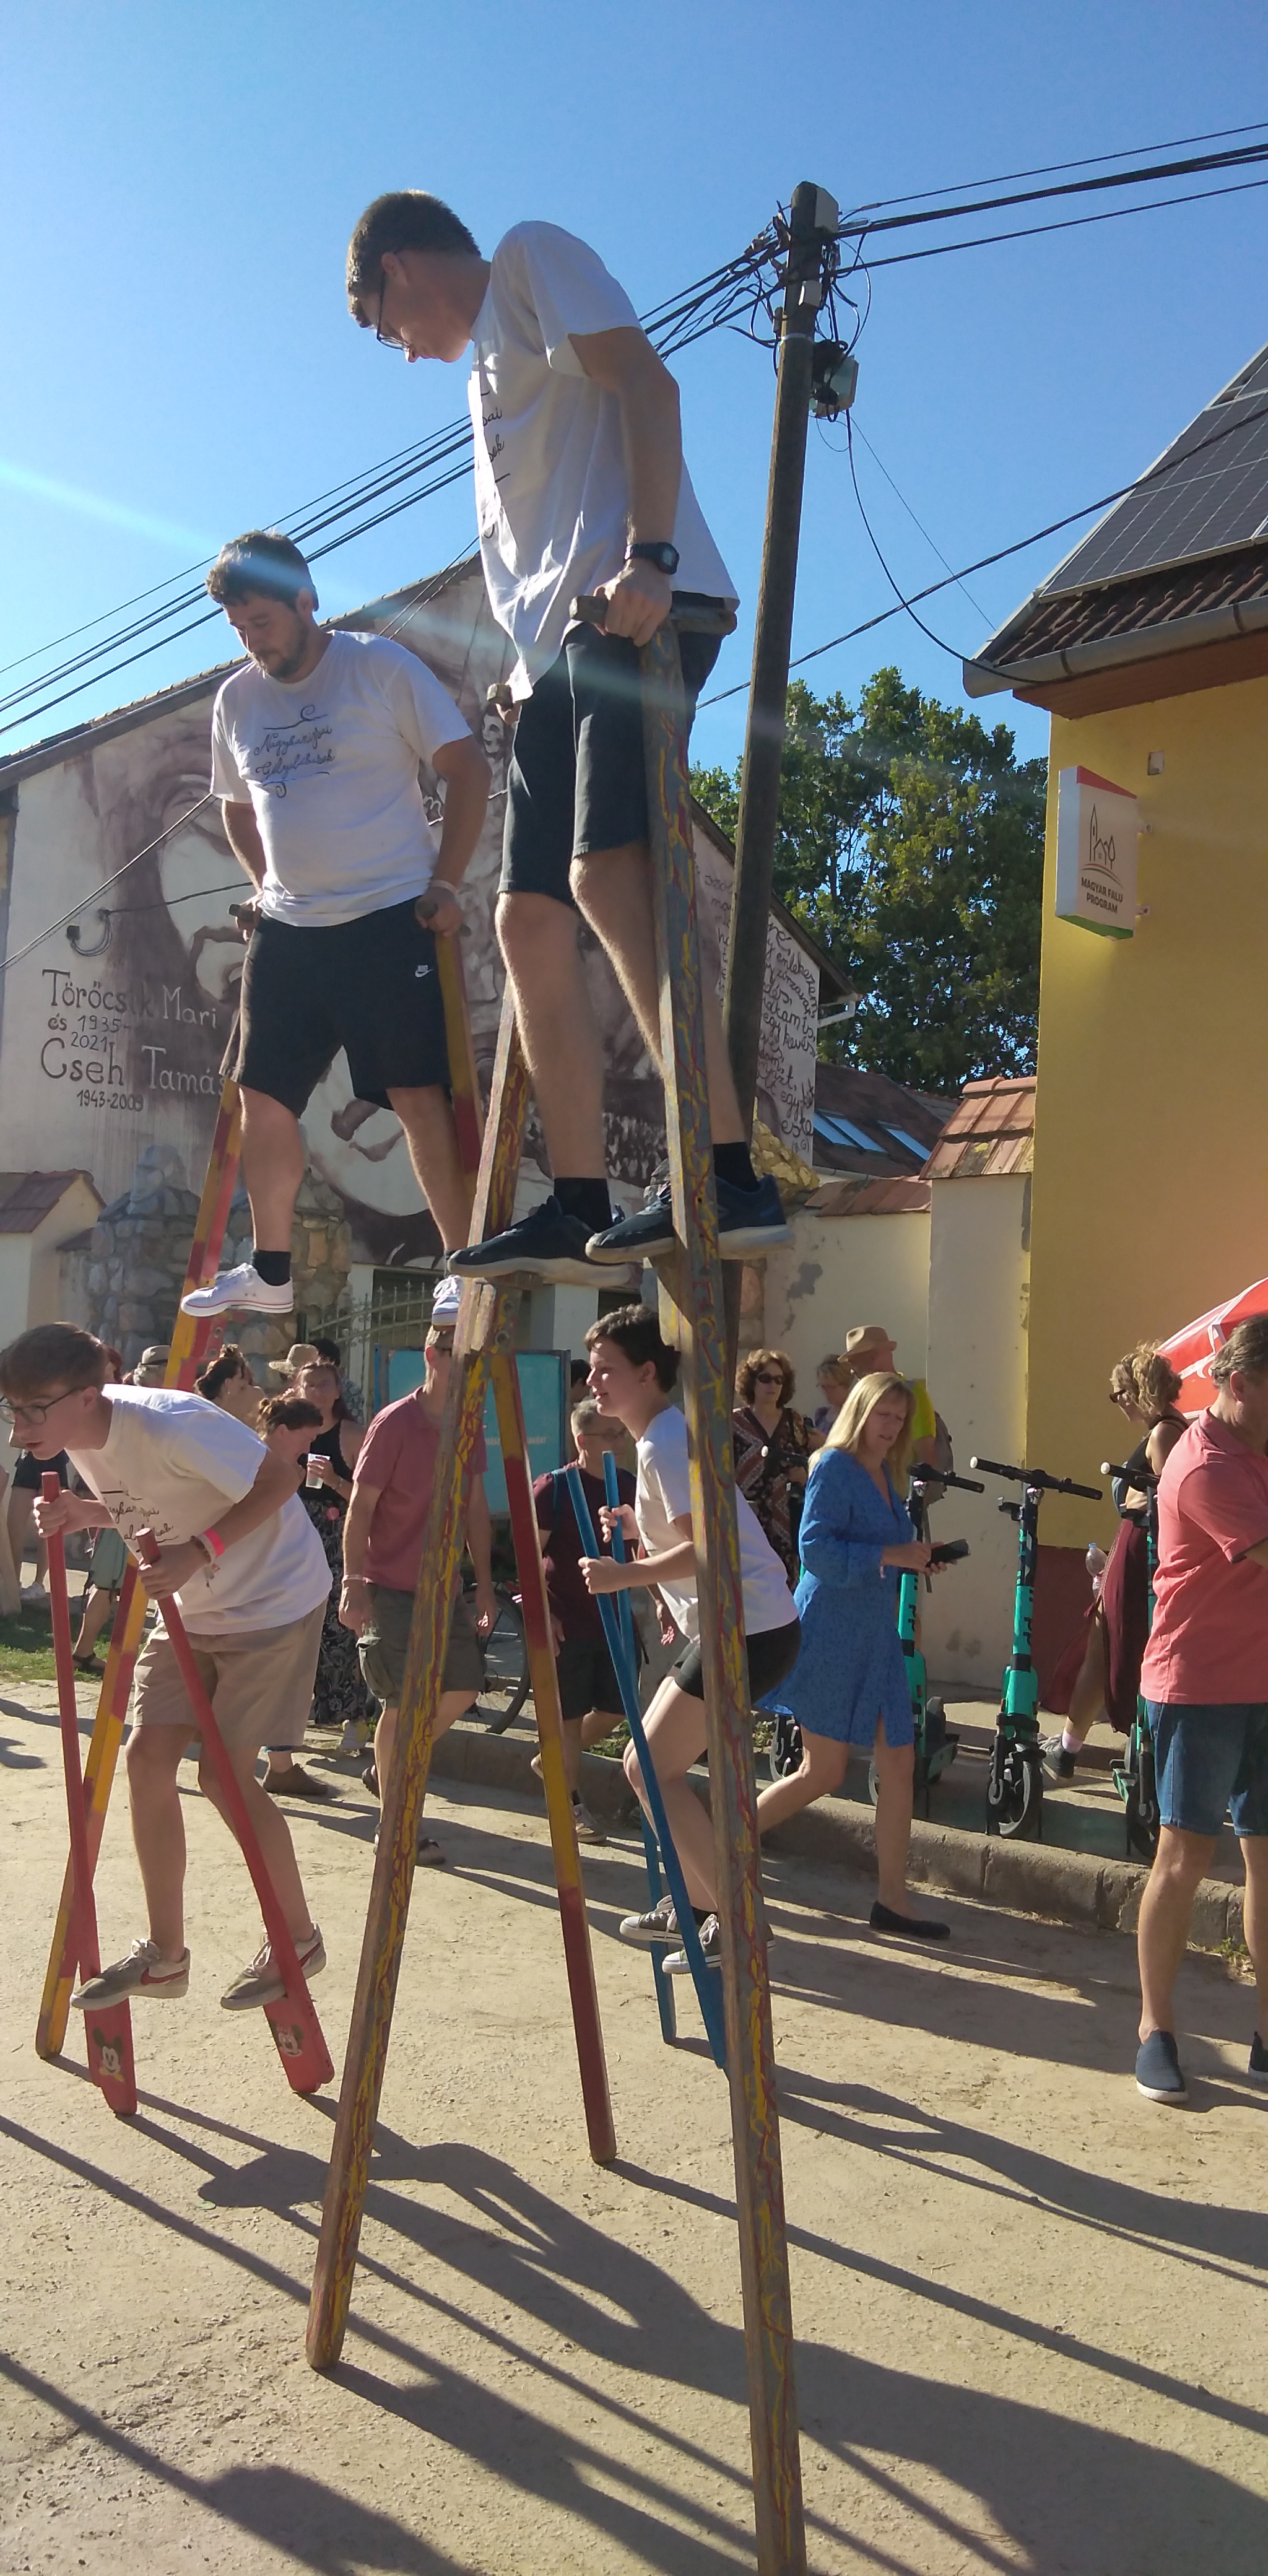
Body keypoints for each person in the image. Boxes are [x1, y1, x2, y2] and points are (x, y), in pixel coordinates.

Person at [345, 193, 790, 1287]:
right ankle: (579, 1202)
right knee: (525, 916)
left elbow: (648, 384)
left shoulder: (527, 261)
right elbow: (540, 540)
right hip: (555, 655)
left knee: (608, 874)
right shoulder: (483, 385)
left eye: (385, 328)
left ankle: (727, 1174)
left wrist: (651, 557)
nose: (403, 353)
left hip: (636, 612)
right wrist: (520, 664)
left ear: (397, 268)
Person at [178, 529, 491, 1324]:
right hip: (290, 927)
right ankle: (271, 1269)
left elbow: (467, 768)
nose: (253, 641)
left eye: (263, 622)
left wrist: (446, 882)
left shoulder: (377, 667)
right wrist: (263, 886)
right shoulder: (236, 701)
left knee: (415, 1093)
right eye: (239, 628)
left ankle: (460, 1266)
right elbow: (236, 807)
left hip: (388, 914)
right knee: (261, 1097)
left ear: (305, 600)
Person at [1, 1323, 332, 2013]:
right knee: (147, 1760)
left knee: (222, 1776)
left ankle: (299, 1939)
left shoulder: (170, 1423)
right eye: (12, 1409)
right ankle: (166, 1955)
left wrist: (200, 1550)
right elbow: (155, 1501)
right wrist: (84, 1511)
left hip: (272, 1601)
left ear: (86, 1395)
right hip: (195, 1603)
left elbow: (280, 1479)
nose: (17, 1430)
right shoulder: (78, 1435)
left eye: (32, 1410)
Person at [578, 1305, 800, 1972]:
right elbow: (695, 1531)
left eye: (606, 1369)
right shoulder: (663, 1437)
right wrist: (638, 1530)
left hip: (746, 1628)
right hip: (743, 1624)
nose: (592, 1381)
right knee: (646, 1764)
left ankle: (734, 1917)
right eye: (591, 1368)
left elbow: (710, 1546)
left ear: (647, 1373)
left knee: (648, 1767)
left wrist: (624, 1573)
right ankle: (701, 1906)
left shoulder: (662, 1444)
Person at [758, 1372, 953, 1941]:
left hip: (875, 1633)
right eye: (883, 1416)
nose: (891, 1428)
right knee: (823, 1770)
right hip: (831, 1628)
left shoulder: (887, 1473)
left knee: (899, 1762)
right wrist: (891, 1554)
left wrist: (919, 1556)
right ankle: (725, 1842)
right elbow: (815, 1549)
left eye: (900, 1419)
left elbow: (884, 1548)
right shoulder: (833, 1466)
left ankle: (893, 1899)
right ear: (861, 1412)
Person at [1132, 1318, 1268, 2105]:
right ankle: (1153, 2028)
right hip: (1197, 1685)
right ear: (1238, 1383)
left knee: (1265, 1861)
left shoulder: (1257, 1446)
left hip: (1261, 1683)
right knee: (1182, 1860)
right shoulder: (1204, 1464)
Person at [339, 1282, 498, 1866]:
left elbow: (475, 1508)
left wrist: (485, 1584)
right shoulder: (395, 1423)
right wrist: (353, 1582)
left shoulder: (468, 1423)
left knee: (463, 1685)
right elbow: (360, 1507)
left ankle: (390, 1769)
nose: (467, 1368)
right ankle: (397, 1822)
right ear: (432, 1355)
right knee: (403, 1703)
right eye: (457, 1355)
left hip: (444, 1587)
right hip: (389, 1584)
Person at [1041, 1343, 1188, 1783]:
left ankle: (1080, 1748)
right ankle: (1069, 1747)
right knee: (1103, 1644)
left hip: (1143, 1553)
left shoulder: (1165, 1433)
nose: (1119, 1402)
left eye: (1120, 1393)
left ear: (1139, 1390)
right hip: (1133, 1549)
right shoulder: (1165, 1430)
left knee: (1112, 1645)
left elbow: (1171, 1499)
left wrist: (1142, 1499)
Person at [531, 1396, 638, 1845]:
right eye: (609, 1434)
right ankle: (569, 1807)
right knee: (568, 1719)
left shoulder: (628, 1484)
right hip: (567, 1620)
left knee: (617, 1709)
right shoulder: (554, 1488)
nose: (620, 1442)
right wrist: (544, 1613)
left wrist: (660, 1602)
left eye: (621, 1432)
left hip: (613, 1617)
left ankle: (552, 1760)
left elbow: (640, 1550)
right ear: (582, 1440)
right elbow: (527, 1556)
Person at [277, 1348, 378, 1754]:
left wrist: (335, 1480)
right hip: (291, 1538)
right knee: (293, 1631)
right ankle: (293, 1719)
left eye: (325, 1384)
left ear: (338, 1391)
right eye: (310, 1384)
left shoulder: (351, 1436)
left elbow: (370, 1501)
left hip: (336, 1539)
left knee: (340, 1630)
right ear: (297, 1388)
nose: (317, 1391)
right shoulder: (286, 1432)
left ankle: (354, 1717)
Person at [731, 1349, 820, 1581]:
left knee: (789, 1584)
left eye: (779, 1380)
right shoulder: (734, 1422)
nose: (773, 1385)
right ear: (751, 1381)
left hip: (789, 1519)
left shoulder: (794, 1421)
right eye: (765, 1378)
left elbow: (811, 1463)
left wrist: (803, 1475)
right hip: (747, 1521)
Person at [69, 1345, 129, 1676]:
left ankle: (87, 1652)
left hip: (125, 1502)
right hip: (117, 1502)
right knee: (106, 1583)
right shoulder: (97, 1400)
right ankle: (83, 1651)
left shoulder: (122, 1399)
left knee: (115, 1586)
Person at [841, 1326, 943, 1473]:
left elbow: (927, 1462)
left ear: (873, 1357)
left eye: (854, 1362)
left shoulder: (914, 1395)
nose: (852, 1370)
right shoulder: (861, 1396)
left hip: (898, 1487)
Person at [195, 1343, 261, 1428]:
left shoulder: (202, 1407)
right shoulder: (214, 1415)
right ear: (228, 1382)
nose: (242, 1384)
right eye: (239, 1379)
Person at [812, 1354, 850, 1437]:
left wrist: (823, 1443)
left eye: (831, 1387)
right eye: (823, 1387)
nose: (826, 1392)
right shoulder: (822, 1415)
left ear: (846, 1385)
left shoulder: (855, 1416)